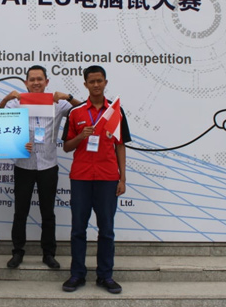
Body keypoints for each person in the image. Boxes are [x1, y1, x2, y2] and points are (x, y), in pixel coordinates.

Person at [0, 65, 80, 269]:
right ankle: (17, 252)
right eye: (32, 79)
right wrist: (6, 99)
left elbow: (82, 110)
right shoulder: (16, 103)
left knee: (48, 212)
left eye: (40, 79)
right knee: (20, 212)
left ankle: (49, 253)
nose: (36, 82)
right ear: (26, 83)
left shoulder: (58, 103)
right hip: (23, 165)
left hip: (48, 165)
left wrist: (68, 96)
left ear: (46, 82)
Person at [61, 65, 131, 294]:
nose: (96, 85)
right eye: (91, 81)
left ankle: (105, 276)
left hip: (107, 178)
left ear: (105, 82)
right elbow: (66, 147)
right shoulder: (76, 112)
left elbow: (120, 146)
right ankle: (77, 274)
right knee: (78, 229)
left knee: (107, 230)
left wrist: (122, 178)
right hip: (81, 177)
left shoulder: (116, 112)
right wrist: (81, 136)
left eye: (100, 80)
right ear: (85, 85)